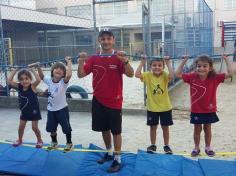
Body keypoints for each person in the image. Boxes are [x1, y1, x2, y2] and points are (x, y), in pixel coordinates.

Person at [77, 29, 134, 173]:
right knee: (104, 129)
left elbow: (131, 74)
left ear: (113, 40)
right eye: (103, 39)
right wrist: (81, 61)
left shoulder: (119, 57)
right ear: (99, 41)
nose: (106, 41)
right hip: (98, 100)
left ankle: (118, 159)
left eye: (109, 39)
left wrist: (126, 61)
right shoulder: (94, 59)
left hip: (114, 101)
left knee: (116, 131)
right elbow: (81, 74)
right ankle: (109, 153)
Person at [175, 55, 233, 157]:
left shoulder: (215, 78)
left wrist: (226, 59)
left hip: (209, 110)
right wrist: (184, 60)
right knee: (197, 129)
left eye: (204, 66)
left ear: (210, 68)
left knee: (207, 128)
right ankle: (196, 148)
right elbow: (177, 74)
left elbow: (231, 73)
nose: (201, 68)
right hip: (196, 110)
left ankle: (208, 147)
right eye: (199, 66)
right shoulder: (192, 77)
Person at [135, 56, 174, 154]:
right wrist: (142, 62)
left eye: (160, 65)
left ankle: (166, 146)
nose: (157, 67)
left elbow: (172, 76)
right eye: (154, 65)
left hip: (165, 107)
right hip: (152, 108)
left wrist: (168, 63)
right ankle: (153, 145)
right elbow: (136, 74)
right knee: (153, 128)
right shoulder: (148, 75)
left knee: (165, 127)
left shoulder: (165, 75)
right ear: (150, 66)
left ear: (163, 67)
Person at [36, 57, 73, 152]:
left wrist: (69, 62)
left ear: (63, 74)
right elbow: (41, 76)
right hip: (51, 110)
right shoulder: (49, 80)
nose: (59, 70)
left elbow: (69, 75)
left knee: (66, 128)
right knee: (52, 128)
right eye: (56, 68)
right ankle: (54, 143)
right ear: (52, 71)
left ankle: (69, 143)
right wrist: (38, 66)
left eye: (61, 69)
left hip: (62, 110)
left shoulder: (63, 82)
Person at [7, 66, 43, 148]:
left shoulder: (32, 86)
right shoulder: (19, 86)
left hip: (34, 111)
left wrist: (33, 70)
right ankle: (19, 140)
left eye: (26, 78)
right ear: (19, 81)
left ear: (30, 80)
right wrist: (14, 70)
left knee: (34, 128)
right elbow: (9, 81)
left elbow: (38, 79)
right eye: (21, 79)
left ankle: (39, 140)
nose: (24, 81)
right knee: (20, 128)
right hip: (24, 111)